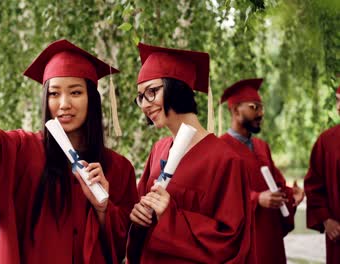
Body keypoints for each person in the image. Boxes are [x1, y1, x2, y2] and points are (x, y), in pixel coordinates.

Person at [0, 39, 138, 264]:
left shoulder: (118, 168)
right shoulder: (22, 150)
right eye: (54, 94)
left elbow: (127, 247)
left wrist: (102, 209)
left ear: (91, 99)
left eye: (75, 92)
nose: (64, 104)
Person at [126, 43, 253, 263]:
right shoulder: (158, 150)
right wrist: (137, 218)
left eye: (151, 91)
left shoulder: (225, 160)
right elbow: (139, 211)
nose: (145, 105)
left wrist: (170, 216)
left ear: (176, 87)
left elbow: (231, 239)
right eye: (140, 97)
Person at [218, 78, 304, 263]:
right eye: (254, 107)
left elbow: (277, 184)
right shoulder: (219, 148)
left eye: (261, 107)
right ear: (234, 110)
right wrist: (256, 198)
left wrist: (292, 195)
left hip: (269, 237)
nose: (261, 113)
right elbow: (218, 197)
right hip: (243, 241)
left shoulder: (262, 146)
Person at [304, 85, 340, 264]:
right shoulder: (327, 141)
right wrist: (326, 219)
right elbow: (314, 185)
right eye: (338, 100)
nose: (339, 107)